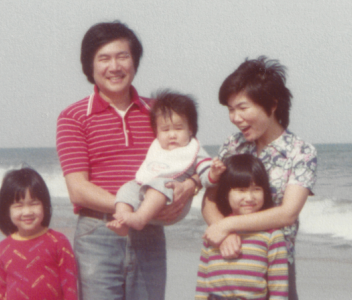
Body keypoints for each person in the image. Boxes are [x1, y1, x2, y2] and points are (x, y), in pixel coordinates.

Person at [56, 21, 198, 300]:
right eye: (104, 58)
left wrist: (189, 187)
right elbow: (77, 188)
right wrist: (131, 211)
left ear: (134, 61)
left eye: (123, 56)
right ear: (90, 65)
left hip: (150, 232)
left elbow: (190, 159)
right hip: (98, 233)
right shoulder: (73, 117)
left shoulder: (160, 113)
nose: (115, 66)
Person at [201, 57, 317, 300]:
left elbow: (287, 213)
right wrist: (224, 233)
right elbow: (210, 200)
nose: (235, 117)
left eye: (242, 108)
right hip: (226, 263)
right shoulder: (233, 145)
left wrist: (228, 225)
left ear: (272, 104)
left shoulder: (301, 152)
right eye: (231, 110)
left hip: (274, 268)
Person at [107, 90, 225, 236]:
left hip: (172, 199)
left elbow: (205, 175)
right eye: (165, 129)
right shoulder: (157, 148)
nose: (172, 135)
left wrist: (213, 173)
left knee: (160, 185)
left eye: (178, 128)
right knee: (126, 188)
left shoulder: (194, 150)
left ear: (190, 130)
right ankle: (122, 221)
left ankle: (139, 219)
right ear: (156, 132)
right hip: (147, 194)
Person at [196, 154, 288, 300]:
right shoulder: (216, 231)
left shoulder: (272, 235)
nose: (250, 198)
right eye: (241, 190)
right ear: (226, 194)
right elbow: (202, 280)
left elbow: (279, 288)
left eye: (256, 189)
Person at [0, 167, 78, 300]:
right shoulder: (1, 249)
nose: (27, 212)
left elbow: (70, 289)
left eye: (34, 204)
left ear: (45, 205)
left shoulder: (58, 242)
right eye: (18, 206)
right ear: (6, 210)